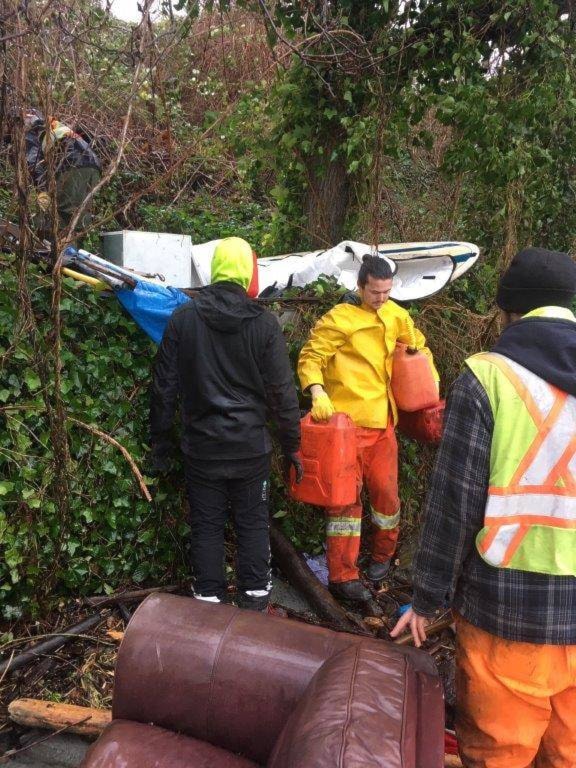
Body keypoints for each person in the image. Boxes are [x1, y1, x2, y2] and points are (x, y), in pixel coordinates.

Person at [391, 247, 576, 768]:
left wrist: (427, 599)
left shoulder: (489, 376)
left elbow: (454, 503)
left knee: (500, 752)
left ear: (508, 311)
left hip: (508, 610)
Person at [149, 237, 302, 612]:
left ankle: (209, 600)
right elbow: (282, 391)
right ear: (249, 272)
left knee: (206, 526)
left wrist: (161, 444)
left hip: (202, 449)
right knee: (252, 523)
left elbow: (164, 386)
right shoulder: (264, 325)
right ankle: (254, 604)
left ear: (215, 270)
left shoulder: (184, 319)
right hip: (250, 448)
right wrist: (292, 444)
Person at [297, 254, 438, 604]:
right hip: (344, 431)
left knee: (387, 499)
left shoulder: (396, 315)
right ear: (360, 287)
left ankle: (382, 557)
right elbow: (311, 357)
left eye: (387, 291)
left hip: (383, 427)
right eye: (375, 292)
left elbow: (418, 345)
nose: (381, 298)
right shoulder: (339, 320)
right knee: (344, 505)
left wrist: (427, 374)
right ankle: (343, 575)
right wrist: (316, 390)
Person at [23, 109, 101, 237]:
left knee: (59, 212)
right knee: (79, 215)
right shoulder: (54, 124)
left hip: (73, 166)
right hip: (94, 166)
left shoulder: (32, 133)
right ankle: (73, 252)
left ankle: (53, 252)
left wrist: (42, 193)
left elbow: (34, 164)